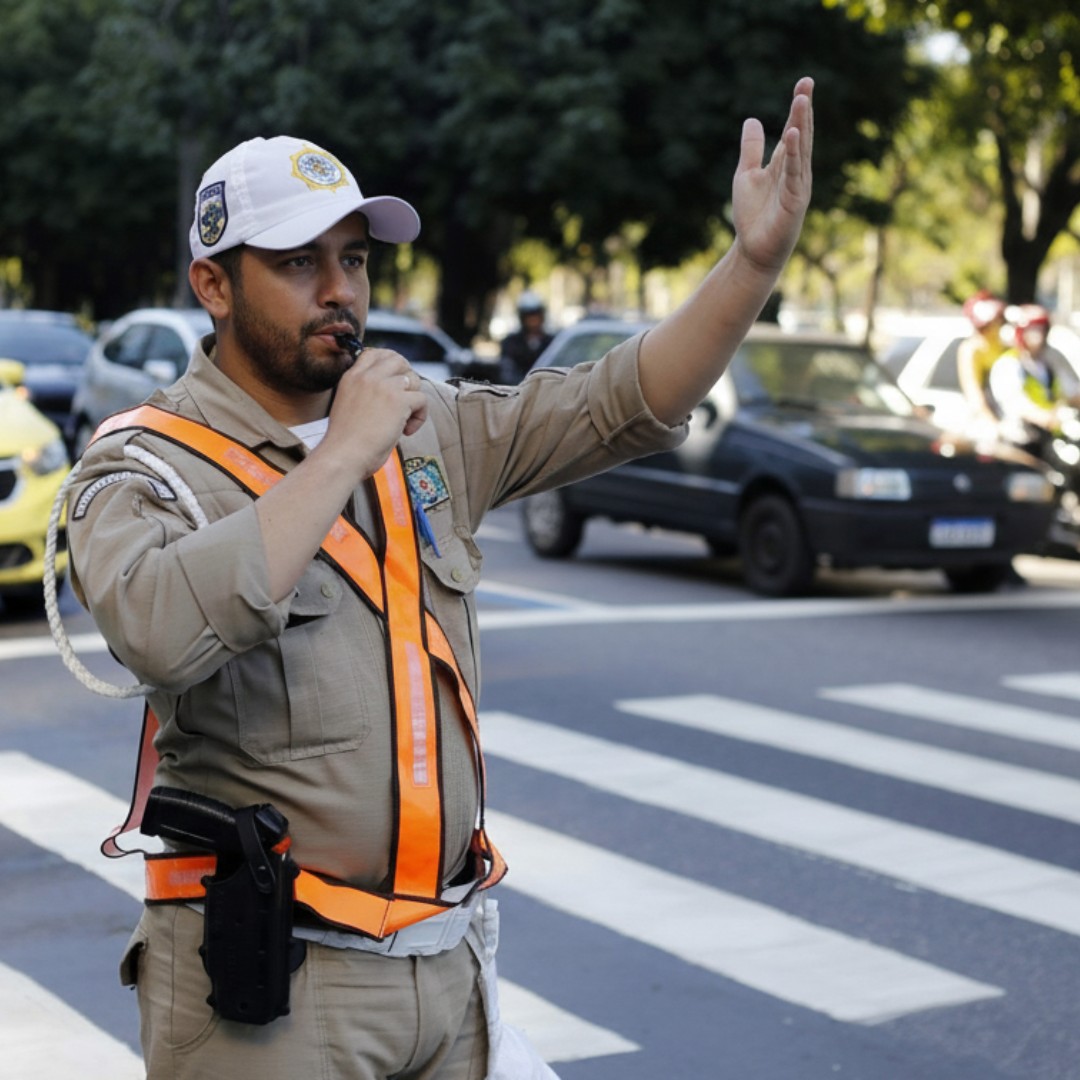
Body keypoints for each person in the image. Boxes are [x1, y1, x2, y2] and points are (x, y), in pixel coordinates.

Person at [66, 76, 813, 1080]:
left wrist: (750, 264)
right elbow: (155, 630)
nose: (340, 291)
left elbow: (622, 400)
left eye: (355, 259)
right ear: (214, 285)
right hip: (269, 988)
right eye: (297, 264)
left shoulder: (429, 428)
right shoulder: (142, 464)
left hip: (445, 964)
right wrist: (340, 455)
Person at [989, 302, 1080, 452]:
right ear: (1020, 332)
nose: (1038, 335)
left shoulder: (1051, 358)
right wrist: (1052, 419)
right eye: (1032, 329)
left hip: (1052, 439)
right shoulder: (1008, 364)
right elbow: (1017, 405)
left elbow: (1073, 390)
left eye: (1041, 329)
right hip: (1021, 441)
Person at [956, 288, 1008, 428]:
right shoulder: (971, 349)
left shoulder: (1007, 347)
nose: (990, 331)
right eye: (983, 328)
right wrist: (993, 423)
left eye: (995, 323)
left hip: (1009, 417)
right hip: (985, 424)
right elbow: (974, 395)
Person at [498, 290, 553, 384]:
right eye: (529, 317)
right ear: (522, 318)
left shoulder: (552, 343)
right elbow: (507, 373)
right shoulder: (510, 343)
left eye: (536, 315)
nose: (533, 321)